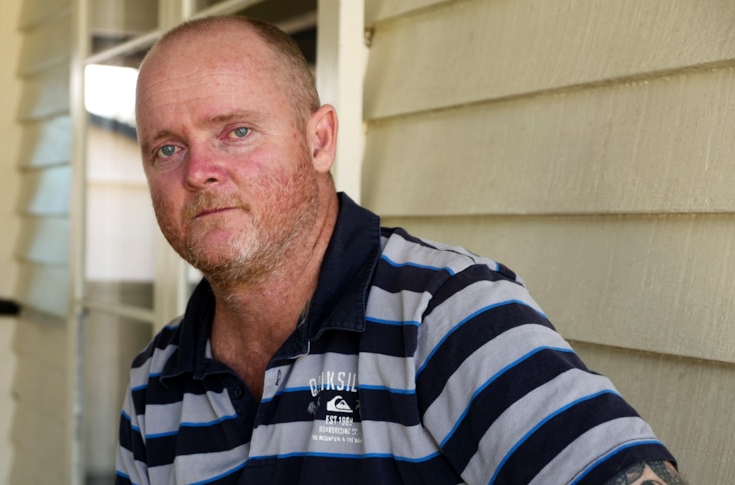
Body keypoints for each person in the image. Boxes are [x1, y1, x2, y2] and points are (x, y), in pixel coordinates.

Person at [116, 15, 684, 485]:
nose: (199, 172)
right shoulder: (155, 384)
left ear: (320, 142)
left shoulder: (443, 315)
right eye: (166, 149)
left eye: (236, 132)